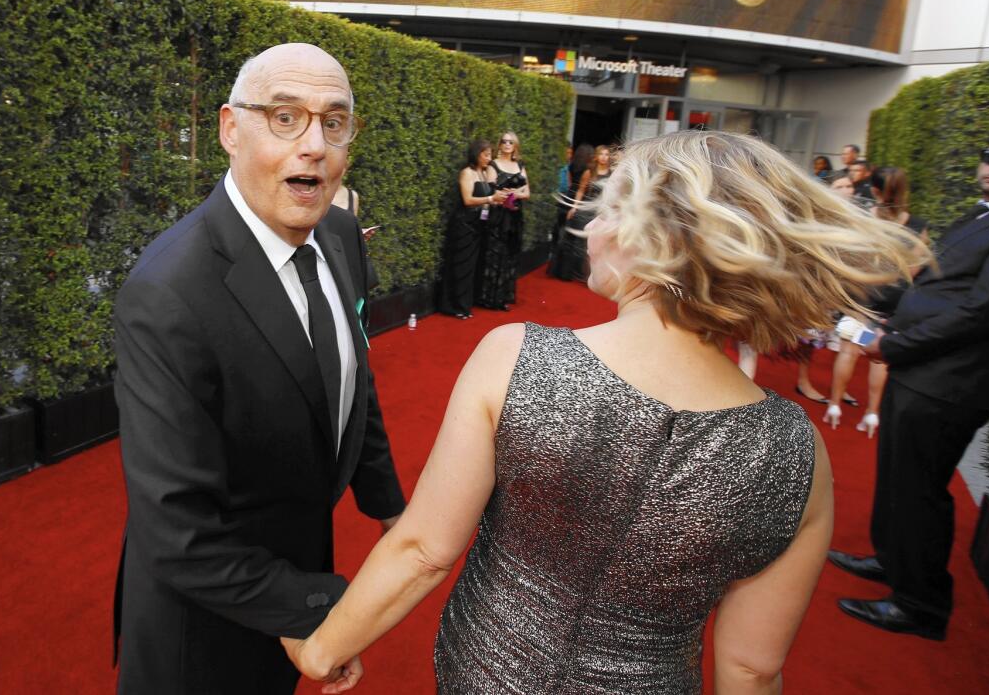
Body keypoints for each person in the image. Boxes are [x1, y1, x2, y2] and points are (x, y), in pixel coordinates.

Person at [281, 130, 927, 694]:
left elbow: (423, 549)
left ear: (652, 237)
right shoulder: (797, 452)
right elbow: (752, 669)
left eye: (607, 208)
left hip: (482, 674)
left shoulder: (516, 356)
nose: (588, 226)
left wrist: (323, 647)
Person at [112, 43, 406, 694]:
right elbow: (177, 527)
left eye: (334, 122)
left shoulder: (340, 235)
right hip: (201, 629)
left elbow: (353, 375)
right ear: (229, 129)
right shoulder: (168, 293)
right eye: (284, 117)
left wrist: (389, 509)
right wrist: (317, 608)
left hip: (292, 569)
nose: (314, 145)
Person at [832, 127, 989, 641]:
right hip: (923, 370)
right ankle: (895, 563)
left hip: (948, 382)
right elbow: (942, 288)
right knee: (897, 481)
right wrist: (893, 327)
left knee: (920, 491)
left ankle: (921, 605)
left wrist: (893, 347)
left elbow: (985, 312)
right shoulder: (982, 212)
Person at [823, 167, 929, 436]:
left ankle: (834, 406)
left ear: (874, 191)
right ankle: (872, 413)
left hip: (862, 294)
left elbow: (847, 255)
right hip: (895, 298)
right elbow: (915, 269)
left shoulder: (859, 218)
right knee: (879, 358)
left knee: (849, 349)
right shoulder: (917, 226)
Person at [438, 139, 507, 319]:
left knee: (472, 266)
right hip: (463, 225)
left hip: (478, 225)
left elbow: (491, 193)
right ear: (476, 154)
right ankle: (454, 306)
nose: (488, 158)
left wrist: (498, 196)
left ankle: (465, 305)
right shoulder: (466, 173)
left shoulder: (484, 174)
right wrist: (491, 199)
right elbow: (467, 200)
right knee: (460, 264)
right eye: (485, 154)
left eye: (490, 155)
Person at [475, 131, 530, 310]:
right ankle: (490, 297)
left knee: (510, 253)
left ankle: (504, 295)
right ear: (499, 145)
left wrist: (512, 194)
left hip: (515, 215)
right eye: (504, 142)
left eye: (511, 142)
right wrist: (509, 194)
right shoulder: (493, 165)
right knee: (494, 252)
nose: (507, 145)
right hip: (498, 215)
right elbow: (491, 191)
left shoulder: (520, 165)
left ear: (515, 146)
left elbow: (527, 192)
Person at [552, 144, 614, 281]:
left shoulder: (612, 174)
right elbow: (581, 190)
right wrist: (574, 207)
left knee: (597, 243)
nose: (604, 157)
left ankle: (590, 275)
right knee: (577, 242)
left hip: (601, 210)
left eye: (606, 154)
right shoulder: (589, 172)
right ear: (596, 157)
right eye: (601, 154)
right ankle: (571, 272)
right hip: (585, 208)